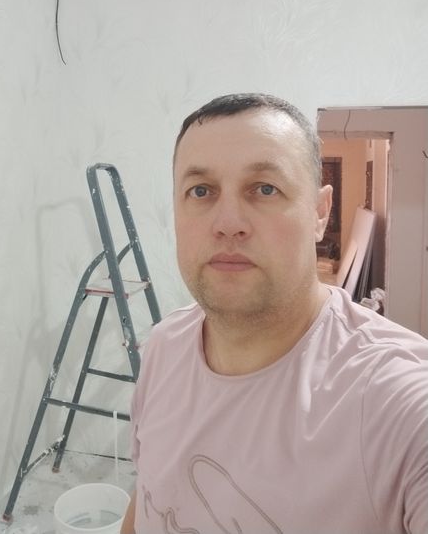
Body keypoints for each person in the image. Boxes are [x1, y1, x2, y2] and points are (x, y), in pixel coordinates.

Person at [121, 93, 428, 534]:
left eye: (265, 189)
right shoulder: (163, 347)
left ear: (320, 213)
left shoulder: (398, 404)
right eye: (201, 191)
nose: (228, 223)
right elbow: (148, 495)